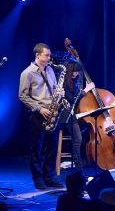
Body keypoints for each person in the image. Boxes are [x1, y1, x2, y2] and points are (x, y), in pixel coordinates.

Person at [19, 43, 64, 189]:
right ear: (38, 55)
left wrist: (60, 94)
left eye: (49, 55)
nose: (49, 58)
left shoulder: (50, 69)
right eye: (47, 55)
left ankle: (49, 176)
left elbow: (53, 89)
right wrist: (39, 109)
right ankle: (38, 179)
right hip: (38, 115)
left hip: (52, 112)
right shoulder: (28, 73)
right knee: (37, 149)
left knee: (53, 147)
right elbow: (22, 96)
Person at [58, 61, 94, 168]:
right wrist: (85, 91)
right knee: (77, 138)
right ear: (70, 71)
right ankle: (77, 163)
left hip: (73, 114)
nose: (77, 74)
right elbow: (72, 100)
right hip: (65, 115)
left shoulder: (73, 82)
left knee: (82, 135)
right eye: (75, 72)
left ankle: (80, 160)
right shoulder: (64, 83)